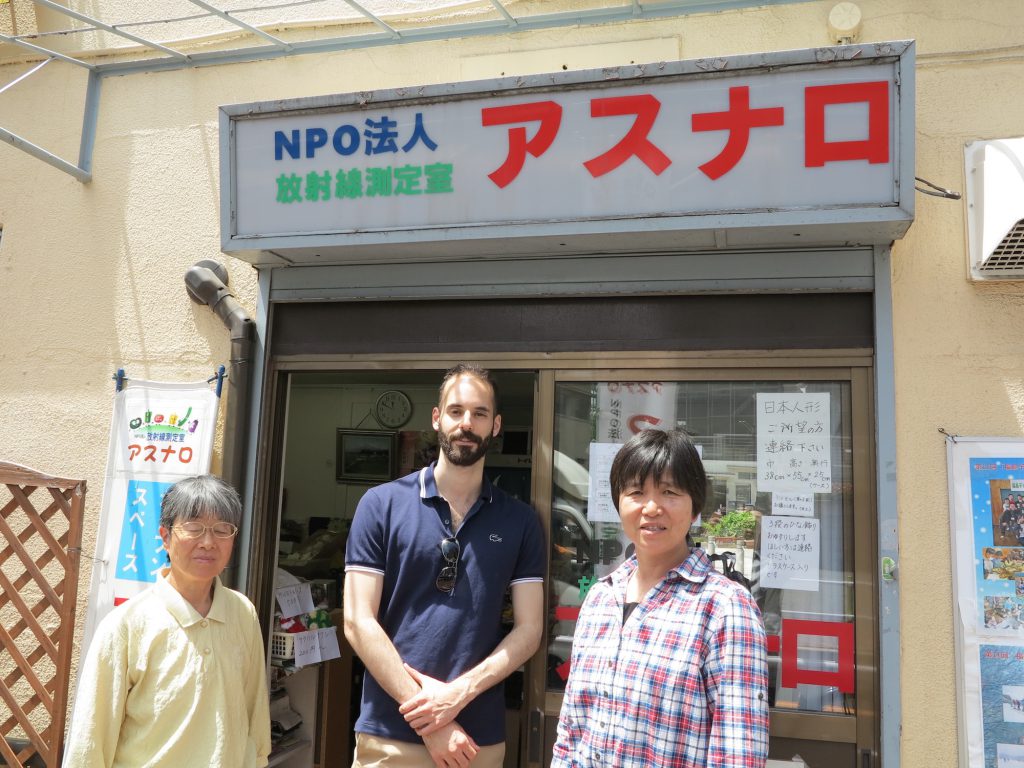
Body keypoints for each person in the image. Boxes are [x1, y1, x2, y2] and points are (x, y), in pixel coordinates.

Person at [344, 364, 545, 768]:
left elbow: (530, 630)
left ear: (496, 425)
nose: (466, 424)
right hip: (391, 733)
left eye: (479, 414)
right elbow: (357, 622)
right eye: (455, 411)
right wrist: (431, 720)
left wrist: (456, 696)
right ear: (437, 418)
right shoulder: (381, 504)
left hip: (477, 741)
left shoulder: (520, 521)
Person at [551, 429, 769, 768]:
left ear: (695, 507)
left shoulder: (725, 608)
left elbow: (737, 754)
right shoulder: (600, 599)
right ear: (619, 502)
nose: (651, 508)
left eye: (669, 492)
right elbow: (571, 732)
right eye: (637, 492)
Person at [63, 474, 271, 767]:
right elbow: (91, 738)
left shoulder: (242, 613)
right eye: (194, 528)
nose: (208, 542)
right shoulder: (127, 625)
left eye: (222, 530)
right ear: (165, 536)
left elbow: (255, 716)